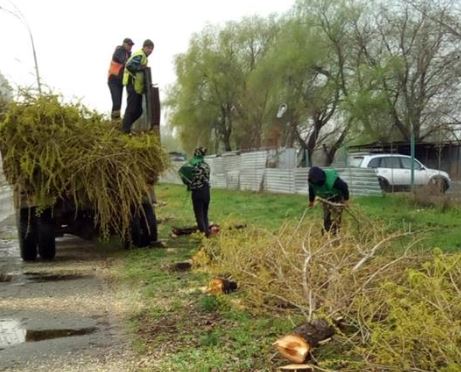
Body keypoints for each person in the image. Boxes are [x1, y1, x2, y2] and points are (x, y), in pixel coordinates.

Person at [121, 39, 155, 134]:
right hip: (132, 83)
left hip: (138, 86)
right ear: (144, 47)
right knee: (131, 108)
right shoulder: (139, 54)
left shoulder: (144, 57)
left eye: (152, 49)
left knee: (139, 110)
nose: (150, 51)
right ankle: (125, 130)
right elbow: (129, 65)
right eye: (148, 48)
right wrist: (141, 67)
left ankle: (126, 125)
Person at [178, 147, 211, 237]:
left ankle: (203, 235)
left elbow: (182, 173)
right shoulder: (206, 166)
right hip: (206, 191)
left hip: (197, 192)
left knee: (199, 214)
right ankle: (207, 233)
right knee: (205, 214)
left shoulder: (191, 165)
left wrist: (188, 183)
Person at [308, 166, 349, 234]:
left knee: (336, 215)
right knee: (326, 215)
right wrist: (311, 201)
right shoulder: (311, 181)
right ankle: (327, 231)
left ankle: (335, 232)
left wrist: (346, 200)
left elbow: (344, 187)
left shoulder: (333, 181)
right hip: (326, 198)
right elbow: (311, 191)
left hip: (337, 196)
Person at [108, 38, 134, 120]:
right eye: (129, 45)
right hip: (113, 79)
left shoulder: (128, 53)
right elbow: (121, 59)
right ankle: (115, 121)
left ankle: (115, 121)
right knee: (116, 102)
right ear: (124, 44)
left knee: (118, 103)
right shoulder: (119, 50)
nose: (130, 47)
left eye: (131, 45)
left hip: (120, 81)